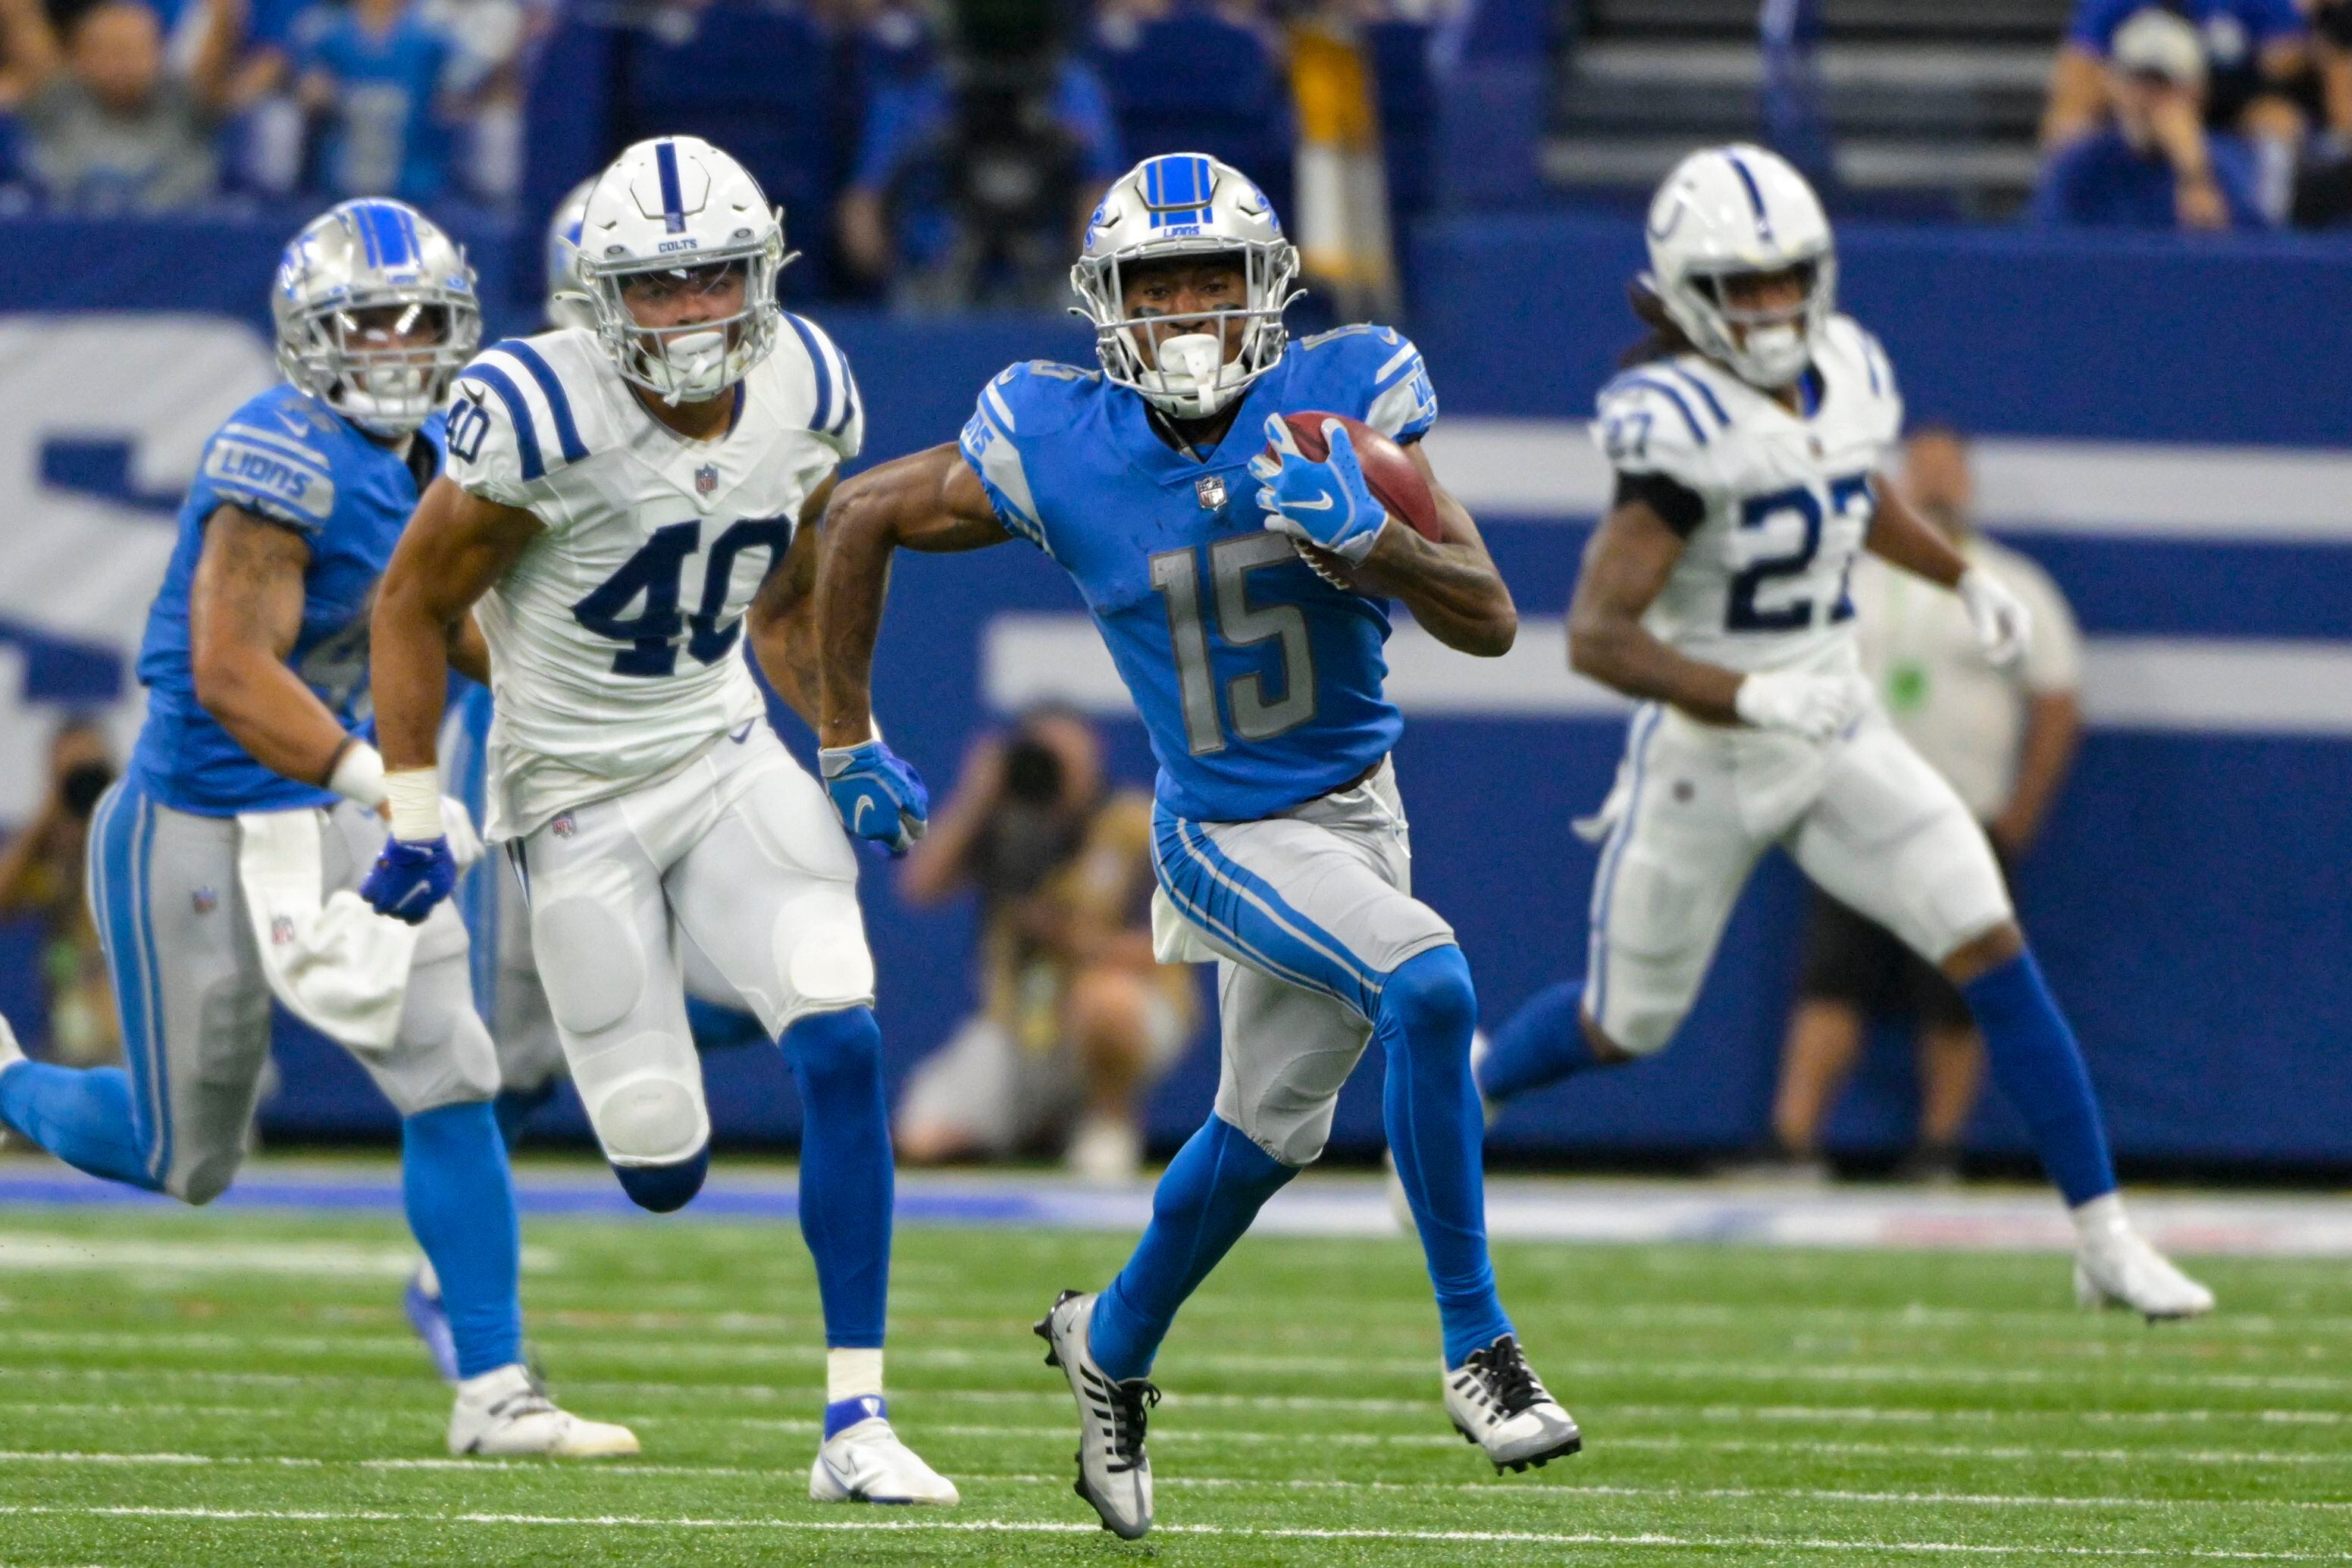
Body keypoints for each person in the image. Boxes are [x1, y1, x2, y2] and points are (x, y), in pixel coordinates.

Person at [815, 150, 1580, 1540]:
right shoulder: (1055, 440)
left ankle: (1109, 1335)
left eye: (1208, 278)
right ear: (1103, 304)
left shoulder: (1343, 402)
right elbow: (857, 512)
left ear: (1264, 289)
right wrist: (844, 734)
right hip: (1222, 823)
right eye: (1152, 283)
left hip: (1358, 807)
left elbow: (1489, 613)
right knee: (1429, 983)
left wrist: (1379, 544)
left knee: (1264, 1134)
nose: (1181, 309)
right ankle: (1477, 1346)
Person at [1468, 143, 2212, 1322]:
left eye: (1783, 280)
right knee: (1625, 1024)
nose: (1769, 308)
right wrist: (1748, 694)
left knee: (1986, 941)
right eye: (1740, 286)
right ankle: (1473, 1094)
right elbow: (1597, 639)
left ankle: (2102, 1236)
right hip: (1707, 755)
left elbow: (1845, 488)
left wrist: (1959, 575)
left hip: (1833, 725)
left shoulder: (1846, 371)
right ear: (1682, 292)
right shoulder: (1671, 428)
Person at [356, 135, 957, 1507]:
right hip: (570, 799)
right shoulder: (534, 411)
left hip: (718, 747)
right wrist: (410, 806)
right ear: (599, 294)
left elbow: (787, 597)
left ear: (761, 275)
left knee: (843, 1029)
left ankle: (854, 1416)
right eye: (658, 285)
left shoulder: (807, 380)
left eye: (711, 281)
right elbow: (407, 603)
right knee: (660, 1163)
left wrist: (844, 734)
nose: (690, 310)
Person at [0, 198, 635, 1458]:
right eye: (373, 320)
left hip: (343, 808)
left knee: (450, 1065)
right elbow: (234, 670)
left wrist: (592, 713)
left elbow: (451, 621)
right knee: (190, 1154)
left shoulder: (443, 451)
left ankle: (495, 1386)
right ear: (311, 335)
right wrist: (384, 781)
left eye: (423, 321)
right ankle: (8, 1079)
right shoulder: (275, 455)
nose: (402, 344)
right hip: (199, 823)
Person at [1771, 428, 2086, 1182]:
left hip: (1962, 817)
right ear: (1901, 481)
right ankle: (1790, 1144)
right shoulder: (1850, 576)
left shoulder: (2010, 581)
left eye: (1951, 472)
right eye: (1925, 470)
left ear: (1969, 484)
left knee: (1955, 992)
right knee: (1830, 981)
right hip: (1854, 815)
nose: (1938, 485)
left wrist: (2022, 812)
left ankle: (1939, 1147)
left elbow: (2056, 696)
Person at [895, 709, 1198, 1182]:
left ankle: (1108, 1122)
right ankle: (1037, 1126)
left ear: (1093, 756)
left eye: (1068, 757)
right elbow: (921, 887)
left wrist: (1069, 939)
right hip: (1019, 1020)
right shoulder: (1004, 823)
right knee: (924, 1134)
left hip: (1121, 1014)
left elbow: (1168, 945)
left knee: (1107, 1003)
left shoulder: (1130, 824)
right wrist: (979, 796)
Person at [836, 0, 1124, 308]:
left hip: (1047, 282)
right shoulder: (913, 89)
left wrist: (1083, 262)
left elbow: (1103, 208)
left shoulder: (1073, 88)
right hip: (933, 282)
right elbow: (861, 218)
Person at [2034, 8, 2270, 230]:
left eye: (2164, 85)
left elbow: (2259, 255)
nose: (2147, 99)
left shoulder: (2225, 163)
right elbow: (2042, 245)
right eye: (2137, 83)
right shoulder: (2084, 163)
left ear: (2196, 92)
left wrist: (2195, 175)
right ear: (2115, 87)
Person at [0, 0, 240, 209]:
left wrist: (221, 16)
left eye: (135, 50)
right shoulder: (56, 103)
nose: (123, 64)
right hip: (66, 249)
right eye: (109, 51)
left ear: (160, 52)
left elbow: (221, 30)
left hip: (178, 251)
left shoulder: (187, 105)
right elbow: (22, 22)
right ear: (77, 57)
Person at [0, 719, 122, 1075]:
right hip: (70, 1046)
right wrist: (52, 807)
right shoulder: (51, 858)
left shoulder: (135, 843)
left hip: (134, 1040)